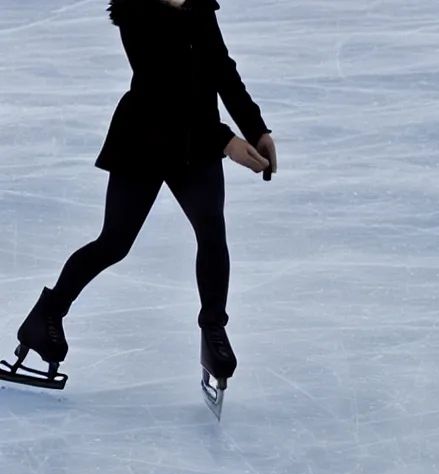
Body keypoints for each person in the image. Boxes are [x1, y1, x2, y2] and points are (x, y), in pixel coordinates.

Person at [2, 0, 275, 398]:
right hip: (145, 138)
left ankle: (213, 329)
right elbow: (163, 95)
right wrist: (224, 140)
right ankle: (45, 316)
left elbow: (221, 67)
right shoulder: (136, 12)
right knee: (114, 243)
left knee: (212, 231)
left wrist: (255, 128)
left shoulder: (199, 7)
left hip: (195, 145)